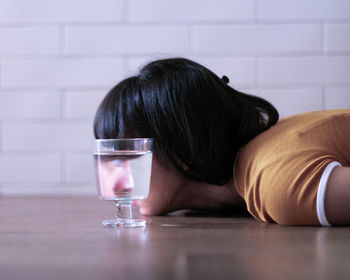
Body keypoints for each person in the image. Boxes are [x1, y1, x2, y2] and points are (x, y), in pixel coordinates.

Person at [93, 57, 350, 226]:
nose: (116, 184)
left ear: (184, 145)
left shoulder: (274, 182)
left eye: (128, 158)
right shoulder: (252, 175)